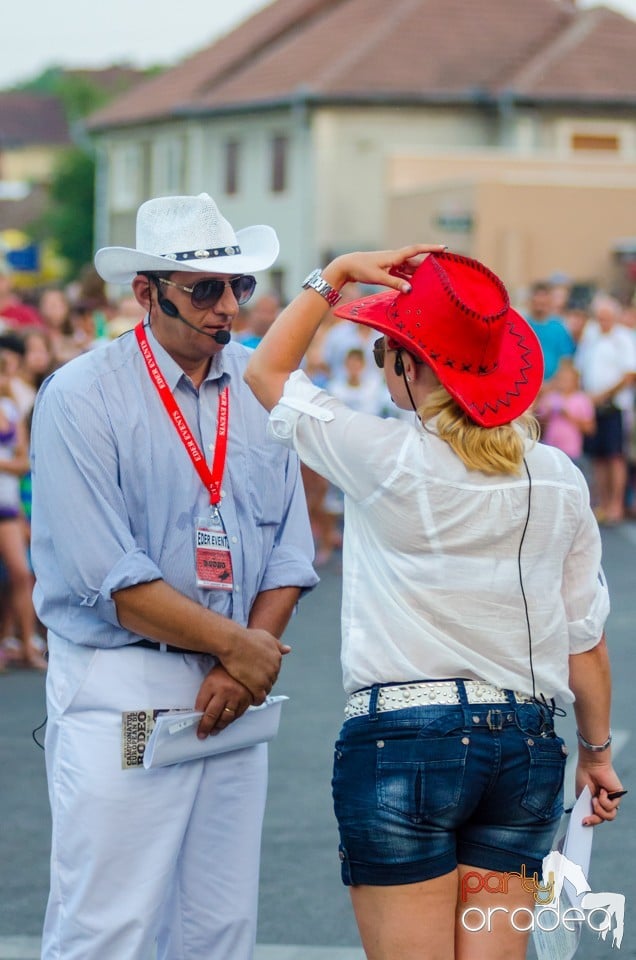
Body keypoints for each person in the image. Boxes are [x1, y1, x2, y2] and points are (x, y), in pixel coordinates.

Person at [244, 247, 623, 960]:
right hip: (526, 742)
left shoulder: (384, 457)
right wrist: (597, 753)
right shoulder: (558, 476)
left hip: (405, 737)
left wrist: (339, 273)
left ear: (412, 366)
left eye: (390, 348)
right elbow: (585, 640)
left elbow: (265, 371)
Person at [30, 192, 318, 960]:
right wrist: (243, 648)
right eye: (204, 290)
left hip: (232, 681)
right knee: (111, 923)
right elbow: (111, 580)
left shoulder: (260, 388)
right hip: (127, 678)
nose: (228, 307)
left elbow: (290, 548)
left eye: (240, 287)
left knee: (219, 927)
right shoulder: (83, 395)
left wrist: (247, 650)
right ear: (146, 291)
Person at [575, 293, 636, 525]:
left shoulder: (623, 338)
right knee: (598, 456)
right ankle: (601, 502)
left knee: (615, 456)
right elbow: (581, 367)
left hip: (614, 405)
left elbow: (629, 374)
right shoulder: (592, 337)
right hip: (593, 404)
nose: (603, 321)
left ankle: (615, 504)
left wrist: (604, 395)